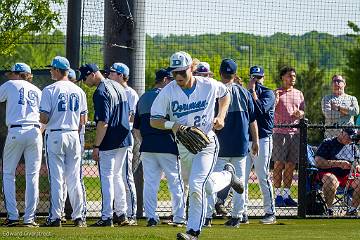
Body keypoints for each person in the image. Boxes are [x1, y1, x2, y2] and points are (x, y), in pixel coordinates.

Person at [150, 51, 244, 240]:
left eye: (182, 72)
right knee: (205, 186)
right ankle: (228, 176)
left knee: (195, 185)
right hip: (184, 146)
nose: (178, 76)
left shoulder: (208, 85)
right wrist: (173, 125)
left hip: (206, 142)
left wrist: (221, 116)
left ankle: (193, 231)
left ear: (191, 69)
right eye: (174, 72)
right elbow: (154, 120)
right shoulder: (168, 91)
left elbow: (226, 95)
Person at [205, 59, 259, 228]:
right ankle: (237, 216)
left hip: (219, 146)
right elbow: (253, 121)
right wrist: (255, 140)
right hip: (240, 146)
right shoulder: (245, 93)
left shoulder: (215, 91)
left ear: (220, 73)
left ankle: (207, 216)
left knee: (211, 181)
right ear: (235, 75)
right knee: (240, 183)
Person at [78, 63, 132, 227]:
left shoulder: (101, 92)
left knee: (107, 178)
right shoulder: (117, 85)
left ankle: (107, 216)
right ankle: (121, 214)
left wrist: (96, 146)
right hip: (124, 137)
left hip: (109, 140)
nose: (84, 82)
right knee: (117, 177)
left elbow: (103, 122)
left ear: (93, 74)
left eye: (85, 77)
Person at [133, 68, 186, 227]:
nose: (175, 81)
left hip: (147, 146)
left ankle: (151, 217)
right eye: (171, 79)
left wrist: (146, 141)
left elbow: (136, 129)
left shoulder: (143, 98)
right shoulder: (170, 95)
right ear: (164, 80)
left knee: (150, 183)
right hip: (168, 145)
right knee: (175, 182)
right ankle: (179, 217)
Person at [40, 56, 87, 227]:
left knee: (57, 178)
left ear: (58, 70)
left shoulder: (49, 89)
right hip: (74, 134)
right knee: (74, 178)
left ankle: (55, 217)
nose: (50, 71)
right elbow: (83, 120)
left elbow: (44, 117)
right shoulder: (79, 91)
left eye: (52, 69)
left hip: (55, 134)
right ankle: (79, 217)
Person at [0, 63, 42, 227]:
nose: (10, 76)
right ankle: (29, 218)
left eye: (12, 73)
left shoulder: (10, 84)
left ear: (18, 74)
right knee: (32, 175)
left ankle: (12, 216)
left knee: (8, 173)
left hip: (16, 131)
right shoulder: (37, 90)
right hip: (35, 131)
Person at [241, 65, 277, 224]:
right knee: (241, 178)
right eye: (253, 77)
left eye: (259, 77)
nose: (256, 80)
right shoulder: (245, 92)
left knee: (262, 175)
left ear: (263, 77)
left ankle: (270, 212)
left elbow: (260, 109)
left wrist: (252, 91)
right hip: (245, 139)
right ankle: (242, 212)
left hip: (262, 138)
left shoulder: (268, 93)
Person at [108, 62, 139, 225]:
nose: (110, 75)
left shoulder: (130, 93)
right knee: (114, 176)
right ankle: (119, 211)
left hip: (125, 135)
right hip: (114, 137)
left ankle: (131, 213)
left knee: (126, 177)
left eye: (113, 73)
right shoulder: (112, 90)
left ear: (121, 75)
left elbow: (133, 117)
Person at [272, 66, 305, 207]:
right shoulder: (276, 93)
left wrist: (300, 114)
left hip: (295, 133)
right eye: (289, 76)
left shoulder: (299, 93)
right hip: (279, 132)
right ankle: (277, 195)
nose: (292, 79)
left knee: (291, 165)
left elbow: (303, 112)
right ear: (282, 77)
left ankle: (286, 195)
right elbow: (270, 110)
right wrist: (276, 99)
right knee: (279, 163)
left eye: (294, 76)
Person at [315, 128, 360, 216]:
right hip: (328, 173)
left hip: (347, 176)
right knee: (331, 180)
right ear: (342, 132)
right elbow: (318, 162)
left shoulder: (353, 146)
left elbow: (358, 164)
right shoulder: (328, 143)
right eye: (349, 137)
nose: (350, 140)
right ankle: (329, 209)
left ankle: (352, 210)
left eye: (352, 138)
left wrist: (356, 167)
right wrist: (338, 164)